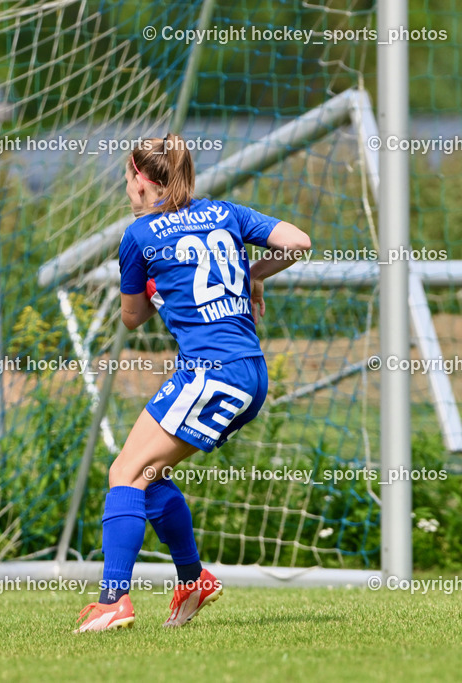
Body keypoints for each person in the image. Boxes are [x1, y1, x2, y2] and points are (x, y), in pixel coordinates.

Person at [75, 134, 311, 632]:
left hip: (211, 371)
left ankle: (113, 600)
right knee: (147, 475)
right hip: (247, 369)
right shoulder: (224, 213)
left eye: (126, 178)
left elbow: (132, 319)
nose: (125, 187)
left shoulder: (139, 235)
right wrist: (249, 273)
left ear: (142, 181)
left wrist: (148, 288)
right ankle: (192, 579)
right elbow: (298, 243)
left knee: (124, 474)